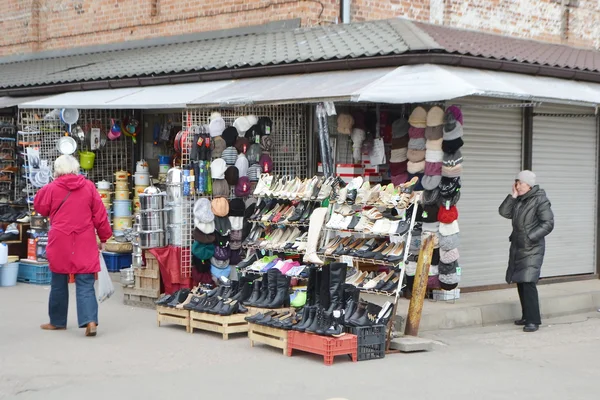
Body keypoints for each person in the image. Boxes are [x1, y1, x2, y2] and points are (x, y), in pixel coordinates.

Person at [34, 155, 112, 337]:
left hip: (60, 239)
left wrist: (50, 185)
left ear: (58, 170)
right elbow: (100, 215)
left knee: (58, 282)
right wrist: (105, 237)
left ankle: (57, 321)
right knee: (85, 282)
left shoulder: (52, 188)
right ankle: (90, 321)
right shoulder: (89, 187)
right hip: (84, 238)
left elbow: (41, 207)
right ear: (76, 169)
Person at [499, 170, 554, 333]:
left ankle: (533, 320)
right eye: (517, 183)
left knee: (528, 282)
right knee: (521, 281)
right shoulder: (519, 200)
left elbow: (548, 223)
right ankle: (526, 315)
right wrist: (513, 196)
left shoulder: (540, 200)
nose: (518, 186)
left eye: (521, 183)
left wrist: (530, 237)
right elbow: (504, 212)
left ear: (529, 184)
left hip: (532, 247)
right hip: (518, 246)